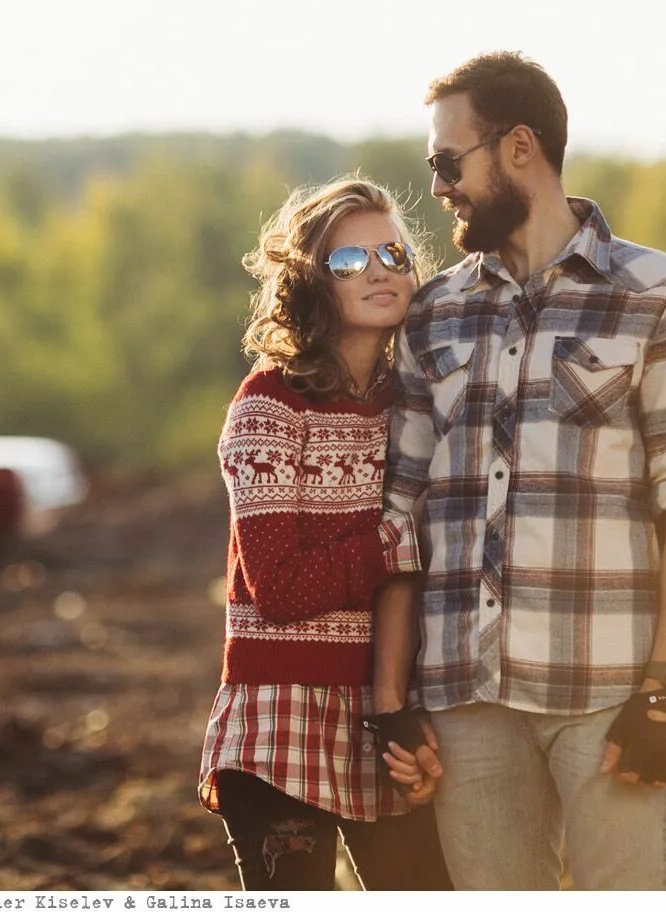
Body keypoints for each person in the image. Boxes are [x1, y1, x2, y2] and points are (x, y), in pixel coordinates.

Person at [372, 52, 666, 889]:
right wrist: (391, 701)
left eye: (446, 161)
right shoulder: (433, 313)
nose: (437, 186)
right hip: (467, 705)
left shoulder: (662, 294)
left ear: (519, 147)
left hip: (607, 695)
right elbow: (403, 516)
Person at [198, 177, 452, 891]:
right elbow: (277, 588)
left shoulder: (414, 406)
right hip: (283, 721)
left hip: (388, 713)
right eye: (349, 262)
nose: (378, 270)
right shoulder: (270, 406)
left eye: (393, 253)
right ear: (312, 283)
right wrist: (398, 543)